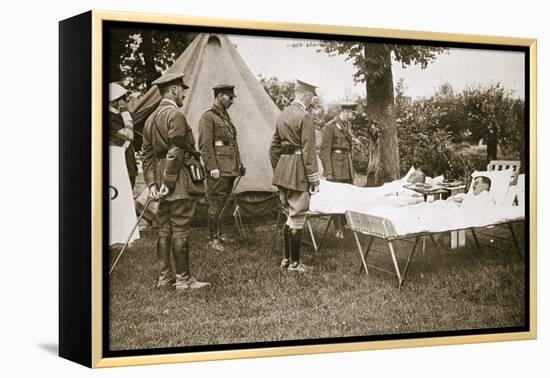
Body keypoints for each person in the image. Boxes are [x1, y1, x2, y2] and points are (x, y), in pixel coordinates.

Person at [141, 72, 210, 290]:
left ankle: (165, 278)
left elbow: (147, 156)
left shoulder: (150, 119)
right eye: (182, 90)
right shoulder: (176, 116)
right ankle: (183, 280)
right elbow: (177, 149)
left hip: (161, 179)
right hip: (177, 179)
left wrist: (152, 184)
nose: (183, 94)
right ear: (173, 90)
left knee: (164, 228)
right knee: (180, 227)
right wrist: (168, 182)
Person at [269, 79, 320, 273]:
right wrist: (314, 179)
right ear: (306, 95)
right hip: (299, 170)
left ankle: (286, 259)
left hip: (283, 170)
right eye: (312, 97)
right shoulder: (304, 116)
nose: (312, 101)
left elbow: (273, 148)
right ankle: (295, 264)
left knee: (288, 214)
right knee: (298, 215)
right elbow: (308, 152)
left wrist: (280, 167)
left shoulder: (281, 115)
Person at [198, 84, 245, 252]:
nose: (232, 100)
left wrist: (239, 164)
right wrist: (212, 167)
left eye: (233, 97)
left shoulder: (225, 117)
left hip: (230, 167)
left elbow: (231, 143)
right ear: (218, 96)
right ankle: (212, 239)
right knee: (216, 201)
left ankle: (219, 233)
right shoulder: (208, 117)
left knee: (224, 201)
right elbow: (205, 145)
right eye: (229, 97)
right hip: (218, 168)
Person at [319, 102, 358, 239]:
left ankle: (346, 226)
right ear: (346, 111)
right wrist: (328, 173)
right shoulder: (330, 127)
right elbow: (324, 152)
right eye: (352, 114)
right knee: (336, 199)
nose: (353, 116)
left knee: (348, 197)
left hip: (346, 166)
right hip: (335, 168)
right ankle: (337, 228)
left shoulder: (348, 125)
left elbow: (349, 147)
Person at [108, 82, 140, 246]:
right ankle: (116, 236)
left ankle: (124, 233)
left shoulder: (117, 116)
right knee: (118, 196)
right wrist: (126, 114)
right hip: (117, 161)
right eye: (123, 99)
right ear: (117, 101)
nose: (126, 102)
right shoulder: (110, 117)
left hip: (126, 159)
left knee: (127, 192)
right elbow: (128, 135)